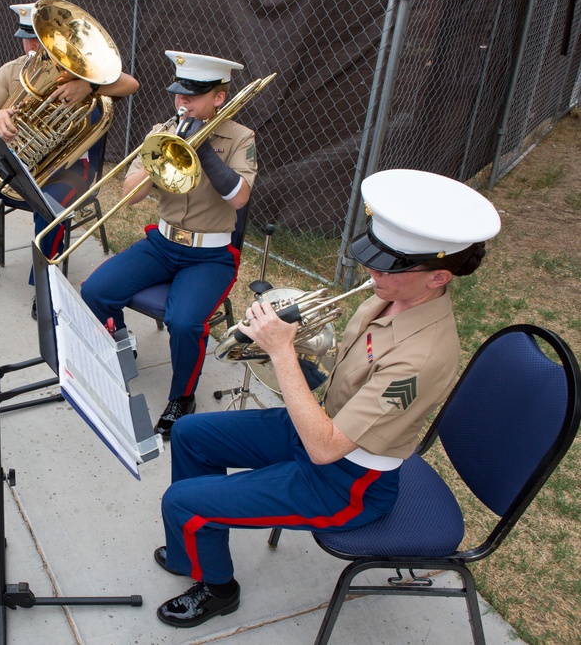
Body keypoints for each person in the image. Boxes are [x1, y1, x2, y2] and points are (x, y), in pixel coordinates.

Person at [151, 169, 501, 628]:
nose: (372, 272)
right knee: (191, 433)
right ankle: (193, 548)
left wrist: (281, 351)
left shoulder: (422, 357)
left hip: (348, 481)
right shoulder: (388, 297)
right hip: (323, 426)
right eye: (374, 259)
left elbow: (325, 448)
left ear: (438, 277)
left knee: (182, 501)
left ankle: (218, 588)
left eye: (389, 267)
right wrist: (289, 340)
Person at [80, 51, 256, 434]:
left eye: (194, 95)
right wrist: (160, 158)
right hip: (162, 243)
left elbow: (240, 197)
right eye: (179, 93)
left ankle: (182, 397)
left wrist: (202, 150)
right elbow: (130, 196)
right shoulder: (162, 131)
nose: (182, 101)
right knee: (95, 290)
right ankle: (121, 344)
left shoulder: (240, 137)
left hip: (210, 255)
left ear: (219, 97)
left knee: (184, 322)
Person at [0, 1, 139, 309]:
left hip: (69, 168)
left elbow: (131, 84)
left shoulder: (85, 73)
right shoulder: (12, 70)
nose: (32, 48)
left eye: (39, 41)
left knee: (49, 207)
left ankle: (46, 285)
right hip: (20, 160)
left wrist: (88, 86)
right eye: (27, 39)